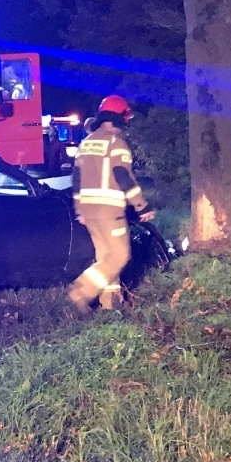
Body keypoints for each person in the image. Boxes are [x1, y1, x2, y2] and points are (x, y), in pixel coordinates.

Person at [68, 95, 153, 312]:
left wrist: (80, 209)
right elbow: (123, 176)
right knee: (119, 256)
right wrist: (141, 206)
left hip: (89, 211)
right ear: (120, 118)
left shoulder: (85, 143)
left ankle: (111, 303)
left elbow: (76, 178)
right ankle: (81, 291)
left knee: (105, 257)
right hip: (109, 211)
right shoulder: (117, 144)